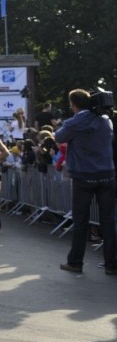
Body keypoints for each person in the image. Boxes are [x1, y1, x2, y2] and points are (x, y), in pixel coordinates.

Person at [55, 89, 116, 274]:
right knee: (109, 221)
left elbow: (58, 137)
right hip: (107, 174)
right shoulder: (106, 120)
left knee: (81, 220)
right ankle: (112, 264)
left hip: (83, 176)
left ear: (73, 104)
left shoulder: (76, 121)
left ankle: (75, 262)